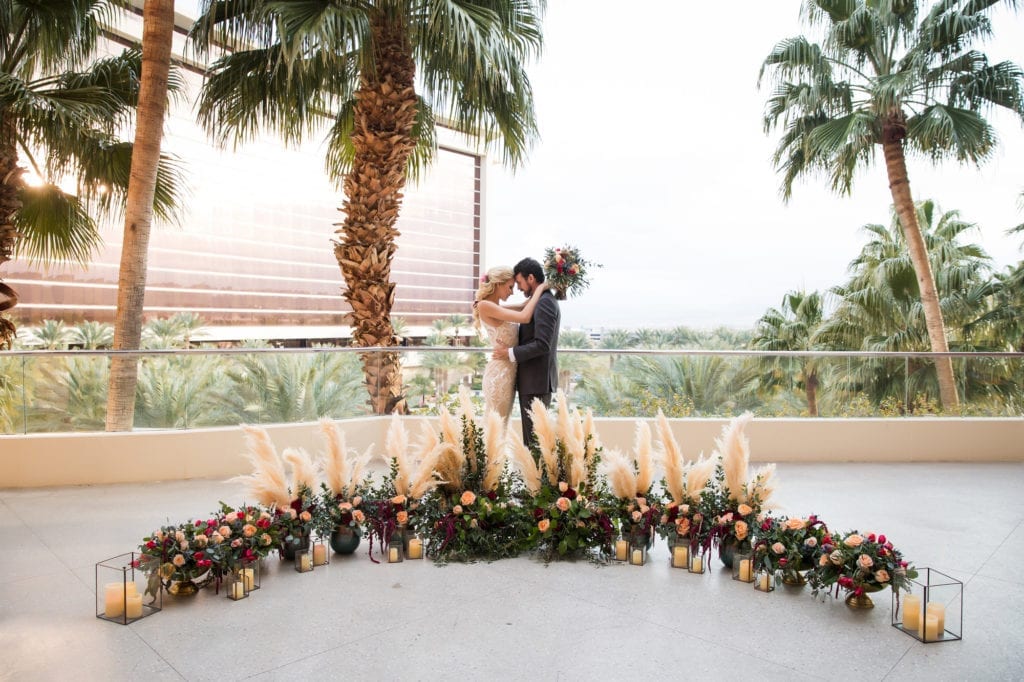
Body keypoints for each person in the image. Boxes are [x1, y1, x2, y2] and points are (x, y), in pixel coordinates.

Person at [492, 257, 561, 444]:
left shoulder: (545, 302)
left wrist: (510, 353)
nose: (519, 288)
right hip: (534, 382)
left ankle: (535, 474)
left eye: (520, 283)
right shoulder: (539, 300)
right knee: (534, 441)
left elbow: (542, 344)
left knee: (534, 443)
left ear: (531, 278)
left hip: (536, 382)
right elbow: (522, 310)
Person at [473, 265, 549, 420]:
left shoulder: (496, 307)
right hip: (499, 375)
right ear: (498, 284)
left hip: (509, 373)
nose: (512, 292)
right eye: (510, 287)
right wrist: (541, 289)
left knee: (502, 425)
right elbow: (525, 317)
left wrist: (537, 289)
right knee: (496, 426)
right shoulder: (484, 305)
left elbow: (523, 307)